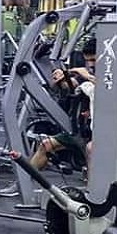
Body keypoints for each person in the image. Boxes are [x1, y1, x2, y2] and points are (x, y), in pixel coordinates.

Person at [28, 38, 97, 174]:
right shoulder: (88, 72)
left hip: (102, 132)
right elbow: (70, 85)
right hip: (82, 130)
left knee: (91, 149)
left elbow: (109, 90)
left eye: (93, 60)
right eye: (87, 60)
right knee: (45, 145)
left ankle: (93, 187)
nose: (90, 64)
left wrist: (88, 76)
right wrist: (61, 77)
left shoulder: (113, 73)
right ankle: (25, 181)